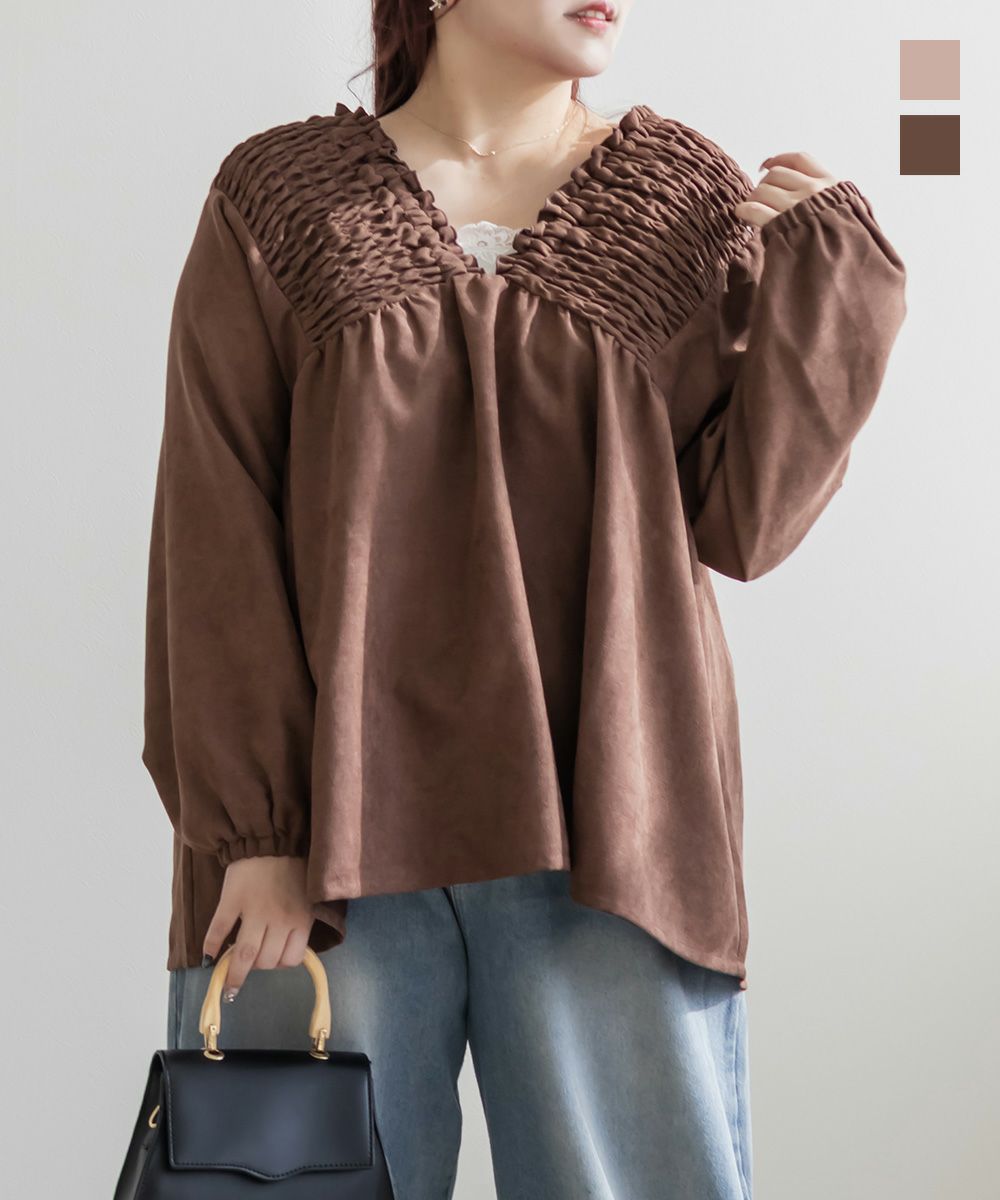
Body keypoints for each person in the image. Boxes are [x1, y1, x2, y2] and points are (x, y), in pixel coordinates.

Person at [142, 1, 908, 1197]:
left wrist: (837, 293)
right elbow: (215, 519)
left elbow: (743, 525)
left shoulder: (683, 199)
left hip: (613, 822)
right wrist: (256, 834)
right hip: (329, 838)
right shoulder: (278, 199)